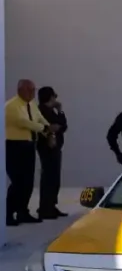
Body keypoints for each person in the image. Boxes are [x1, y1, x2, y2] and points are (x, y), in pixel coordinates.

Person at [5, 79, 52, 225]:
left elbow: (39, 118)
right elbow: (23, 122)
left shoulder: (31, 104)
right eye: (29, 90)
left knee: (28, 182)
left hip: (29, 145)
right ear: (20, 90)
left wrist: (48, 129)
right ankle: (8, 213)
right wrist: (43, 129)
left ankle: (22, 212)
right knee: (18, 182)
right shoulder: (11, 106)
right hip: (15, 146)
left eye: (33, 90)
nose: (32, 93)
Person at [36, 86, 68, 219]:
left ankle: (51, 206)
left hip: (54, 148)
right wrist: (59, 114)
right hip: (48, 148)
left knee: (54, 177)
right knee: (49, 177)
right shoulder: (42, 111)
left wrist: (59, 113)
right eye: (55, 96)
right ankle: (45, 208)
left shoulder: (49, 111)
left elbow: (63, 126)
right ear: (51, 97)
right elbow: (57, 126)